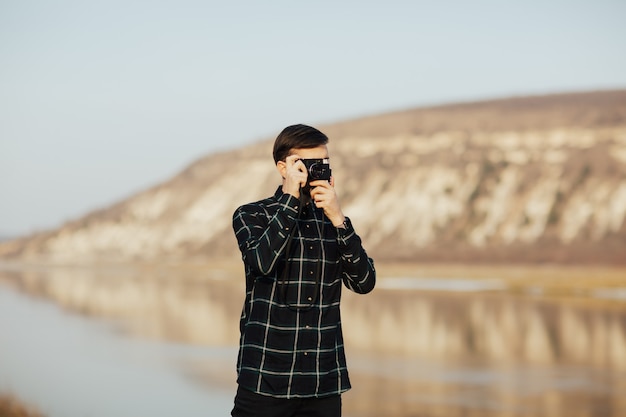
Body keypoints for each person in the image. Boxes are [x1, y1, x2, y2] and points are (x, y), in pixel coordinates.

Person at [230, 124, 376, 417]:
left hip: (323, 383)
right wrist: (289, 200)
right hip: (265, 380)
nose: (314, 170)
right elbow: (262, 262)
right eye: (305, 164)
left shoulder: (333, 222)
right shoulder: (251, 214)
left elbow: (364, 282)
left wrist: (338, 218)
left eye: (321, 163)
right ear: (283, 167)